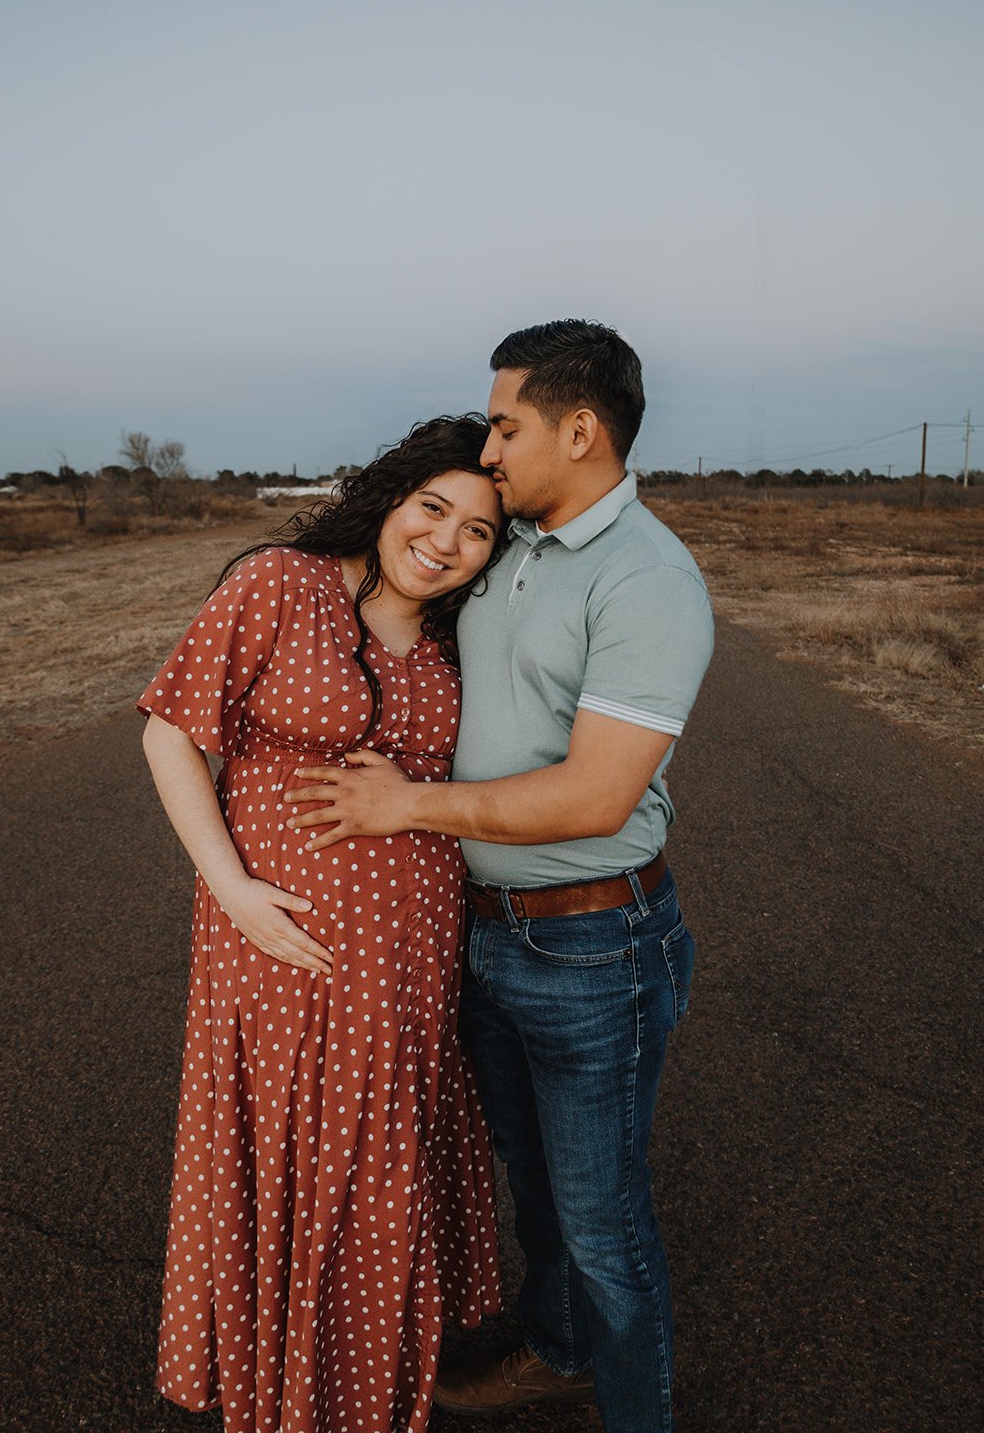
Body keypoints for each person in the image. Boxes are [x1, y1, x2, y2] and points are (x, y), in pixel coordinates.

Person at [286, 320, 714, 1433]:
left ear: (580, 430)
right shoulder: (514, 539)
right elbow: (402, 572)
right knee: (535, 1194)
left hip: (591, 946)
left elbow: (594, 796)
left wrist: (407, 806)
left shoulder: (647, 579)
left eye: (509, 425)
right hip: (484, 933)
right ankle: (559, 1350)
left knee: (603, 1228)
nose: (490, 448)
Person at [138, 414, 505, 1433]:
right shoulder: (280, 584)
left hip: (413, 957)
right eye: (433, 507)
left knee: (379, 1168)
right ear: (391, 495)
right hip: (279, 941)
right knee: (299, 1157)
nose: (444, 541)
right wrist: (231, 888)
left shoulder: (453, 641)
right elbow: (171, 732)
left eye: (477, 529)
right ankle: (287, 1397)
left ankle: (368, 1392)